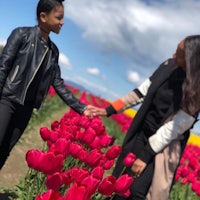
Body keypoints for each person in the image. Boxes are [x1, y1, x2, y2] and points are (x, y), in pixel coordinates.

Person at [92, 35, 200, 199]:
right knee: (121, 184)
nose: (173, 55)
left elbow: (173, 128)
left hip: (164, 146)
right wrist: (108, 110)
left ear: (191, 60)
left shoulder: (195, 89)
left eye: (179, 53)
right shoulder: (168, 66)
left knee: (138, 192)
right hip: (142, 133)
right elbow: (140, 92)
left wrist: (145, 156)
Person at [0, 0, 95, 170]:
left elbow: (57, 83)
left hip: (25, 108)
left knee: (5, 150)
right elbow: (3, 66)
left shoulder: (53, 51)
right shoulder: (21, 34)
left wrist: (81, 107)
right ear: (43, 17)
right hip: (7, 100)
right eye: (59, 17)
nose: (62, 22)